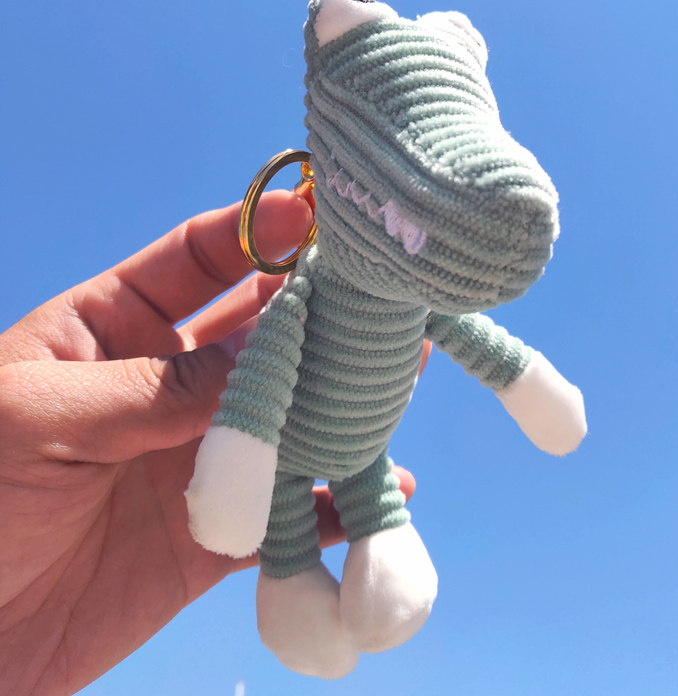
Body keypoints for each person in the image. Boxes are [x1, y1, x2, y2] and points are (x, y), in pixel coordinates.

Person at [0, 191, 417, 695]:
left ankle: (368, 543)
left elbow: (476, 341)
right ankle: (296, 584)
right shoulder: (307, 290)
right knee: (282, 513)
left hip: (364, 454)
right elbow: (263, 363)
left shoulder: (413, 298)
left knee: (334, 499)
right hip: (285, 460)